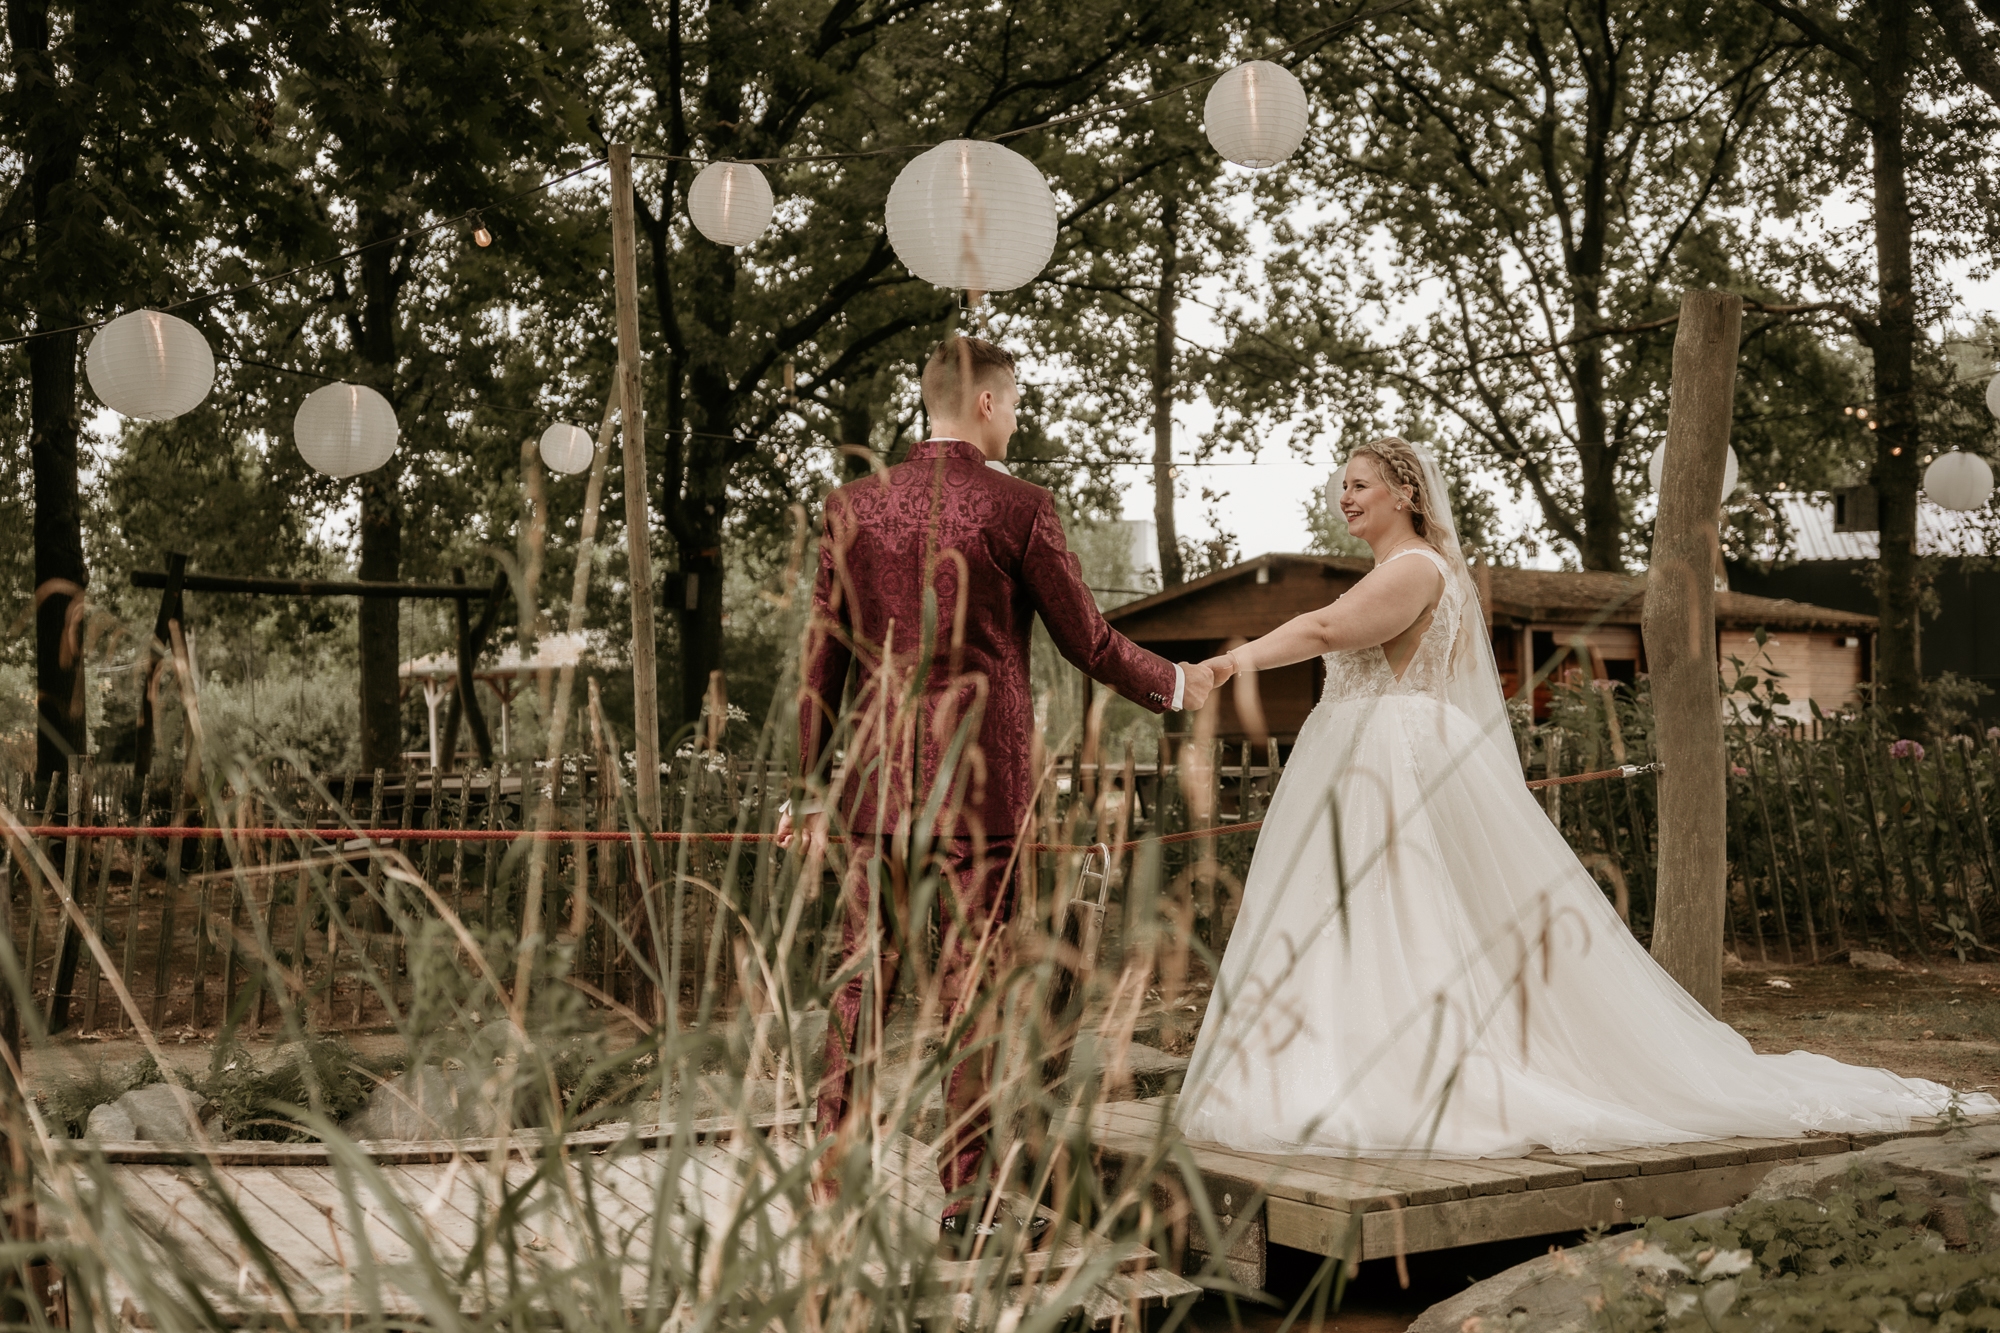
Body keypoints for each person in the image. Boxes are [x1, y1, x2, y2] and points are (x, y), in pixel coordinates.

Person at [1176, 435, 1995, 1158]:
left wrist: (1223, 664)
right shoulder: (1408, 570)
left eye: (1358, 483)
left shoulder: (1416, 568)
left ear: (1406, 494)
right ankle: (1344, 1063)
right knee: (1363, 915)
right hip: (1370, 753)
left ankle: (1413, 1072)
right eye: (1340, 485)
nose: (1342, 496)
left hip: (1390, 758)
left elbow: (1324, 632)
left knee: (1403, 909)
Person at [777, 335, 1218, 1238]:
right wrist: (1178, 682)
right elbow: (1089, 642)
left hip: (873, 791)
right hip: (984, 794)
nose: (1016, 419)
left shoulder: (851, 506)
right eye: (1013, 403)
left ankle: (831, 1189)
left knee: (862, 988)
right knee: (970, 994)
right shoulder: (1019, 507)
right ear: (984, 403)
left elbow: (821, 660)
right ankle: (965, 1204)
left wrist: (810, 789)